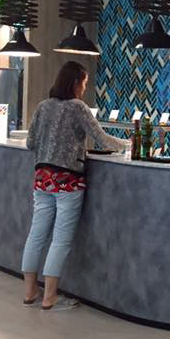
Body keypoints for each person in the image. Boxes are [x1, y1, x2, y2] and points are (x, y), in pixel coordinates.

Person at [22, 61, 127, 310]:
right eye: (84, 83)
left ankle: (29, 292)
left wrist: (50, 146)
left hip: (42, 177)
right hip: (68, 180)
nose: (84, 88)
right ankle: (49, 297)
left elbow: (30, 143)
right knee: (60, 240)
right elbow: (102, 139)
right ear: (76, 82)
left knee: (36, 235)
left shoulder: (43, 106)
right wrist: (127, 145)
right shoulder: (78, 107)